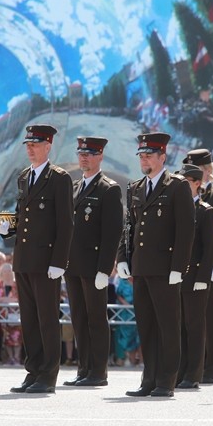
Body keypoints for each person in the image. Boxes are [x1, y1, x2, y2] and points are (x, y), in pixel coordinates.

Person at [0, 124, 74, 394]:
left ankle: (48, 375)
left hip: (46, 261)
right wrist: (9, 229)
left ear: (48, 146)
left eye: (35, 144)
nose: (30, 149)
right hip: (24, 259)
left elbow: (65, 224)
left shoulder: (59, 178)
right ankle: (34, 370)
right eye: (28, 145)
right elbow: (23, 218)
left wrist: (59, 261)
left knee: (46, 318)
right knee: (29, 318)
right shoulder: (24, 177)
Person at [116, 132, 195, 397]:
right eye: (141, 155)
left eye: (149, 155)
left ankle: (166, 381)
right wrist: (122, 258)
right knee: (147, 326)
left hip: (165, 269)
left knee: (168, 327)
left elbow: (185, 231)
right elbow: (129, 227)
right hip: (141, 268)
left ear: (163, 157)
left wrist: (179, 267)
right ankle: (148, 379)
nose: (144, 159)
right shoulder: (136, 187)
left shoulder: (177, 186)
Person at [63, 136, 123, 388]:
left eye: (89, 153)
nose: (83, 157)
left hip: (94, 265)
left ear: (100, 157)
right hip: (73, 264)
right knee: (78, 317)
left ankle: (98, 371)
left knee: (96, 318)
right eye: (81, 153)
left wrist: (104, 268)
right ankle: (83, 368)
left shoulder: (108, 189)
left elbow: (112, 232)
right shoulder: (75, 187)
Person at [183, 148, 213, 384]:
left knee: (210, 315)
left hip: (210, 262)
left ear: (207, 170)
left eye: (198, 169)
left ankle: (211, 368)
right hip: (189, 263)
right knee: (190, 316)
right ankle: (193, 364)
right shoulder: (183, 192)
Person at [176, 164, 213, 389]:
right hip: (177, 276)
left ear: (198, 183)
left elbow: (210, 248)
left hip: (196, 277)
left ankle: (194, 374)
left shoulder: (205, 210)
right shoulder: (177, 209)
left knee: (195, 326)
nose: (182, 185)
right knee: (179, 325)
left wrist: (203, 277)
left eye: (187, 181)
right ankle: (181, 371)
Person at [113, 276, 140, 367]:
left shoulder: (139, 279)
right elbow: (118, 295)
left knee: (137, 337)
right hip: (124, 313)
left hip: (138, 311)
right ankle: (124, 358)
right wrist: (126, 304)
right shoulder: (121, 280)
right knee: (124, 336)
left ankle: (135, 360)